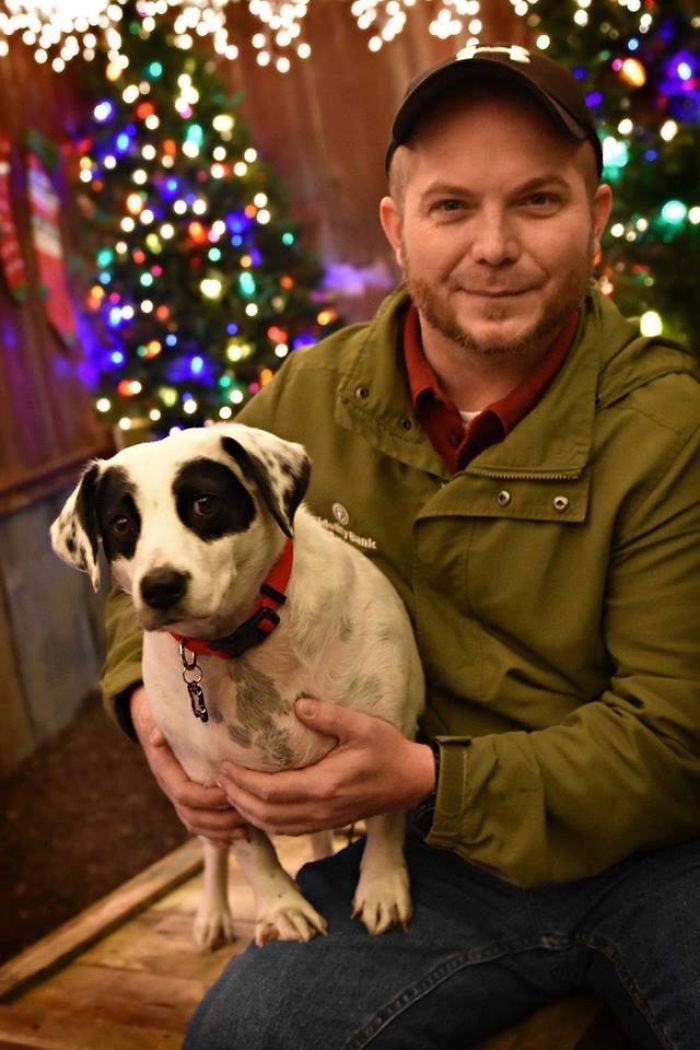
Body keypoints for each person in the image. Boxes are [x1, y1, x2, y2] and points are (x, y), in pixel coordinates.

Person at [102, 45, 700, 1049]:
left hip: (660, 856)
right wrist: (144, 706)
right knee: (244, 1034)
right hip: (426, 864)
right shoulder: (305, 399)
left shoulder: (669, 430)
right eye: (452, 206)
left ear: (596, 218)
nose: (494, 246)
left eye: (538, 202)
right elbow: (160, 547)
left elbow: (675, 744)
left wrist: (431, 777)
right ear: (397, 228)